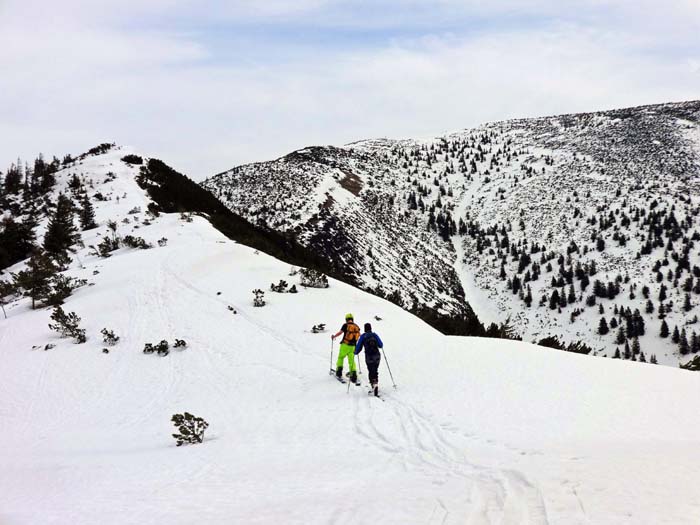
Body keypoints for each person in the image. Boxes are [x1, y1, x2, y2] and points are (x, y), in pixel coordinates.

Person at [354, 323, 383, 396]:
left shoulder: (363, 336)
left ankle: (373, 384)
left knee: (370, 370)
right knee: (375, 370)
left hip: (369, 356)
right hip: (377, 356)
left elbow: (358, 348)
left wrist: (355, 352)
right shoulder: (374, 335)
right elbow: (381, 345)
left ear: (365, 329)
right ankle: (375, 382)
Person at [331, 313, 360, 383]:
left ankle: (339, 372)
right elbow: (359, 335)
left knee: (341, 357)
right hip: (353, 347)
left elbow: (340, 332)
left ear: (346, 319)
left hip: (345, 345)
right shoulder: (356, 326)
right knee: (351, 360)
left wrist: (334, 336)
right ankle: (353, 375)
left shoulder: (346, 325)